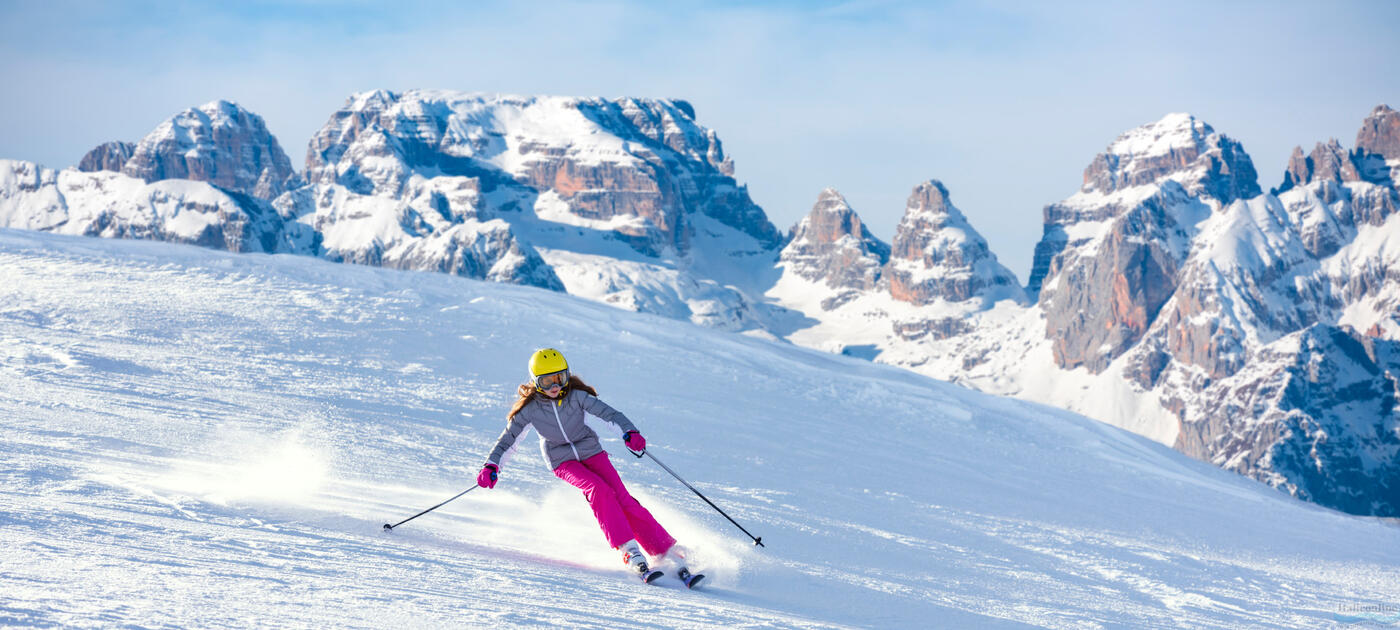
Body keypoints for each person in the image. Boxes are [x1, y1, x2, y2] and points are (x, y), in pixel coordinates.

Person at [476, 348, 689, 583]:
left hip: (591, 451)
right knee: (598, 489)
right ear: (536, 382)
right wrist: (492, 466)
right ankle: (629, 551)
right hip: (562, 460)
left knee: (624, 499)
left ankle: (664, 550)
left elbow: (610, 414)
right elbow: (508, 440)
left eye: (560, 378)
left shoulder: (576, 397)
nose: (555, 386)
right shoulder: (530, 410)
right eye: (547, 381)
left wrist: (629, 432)